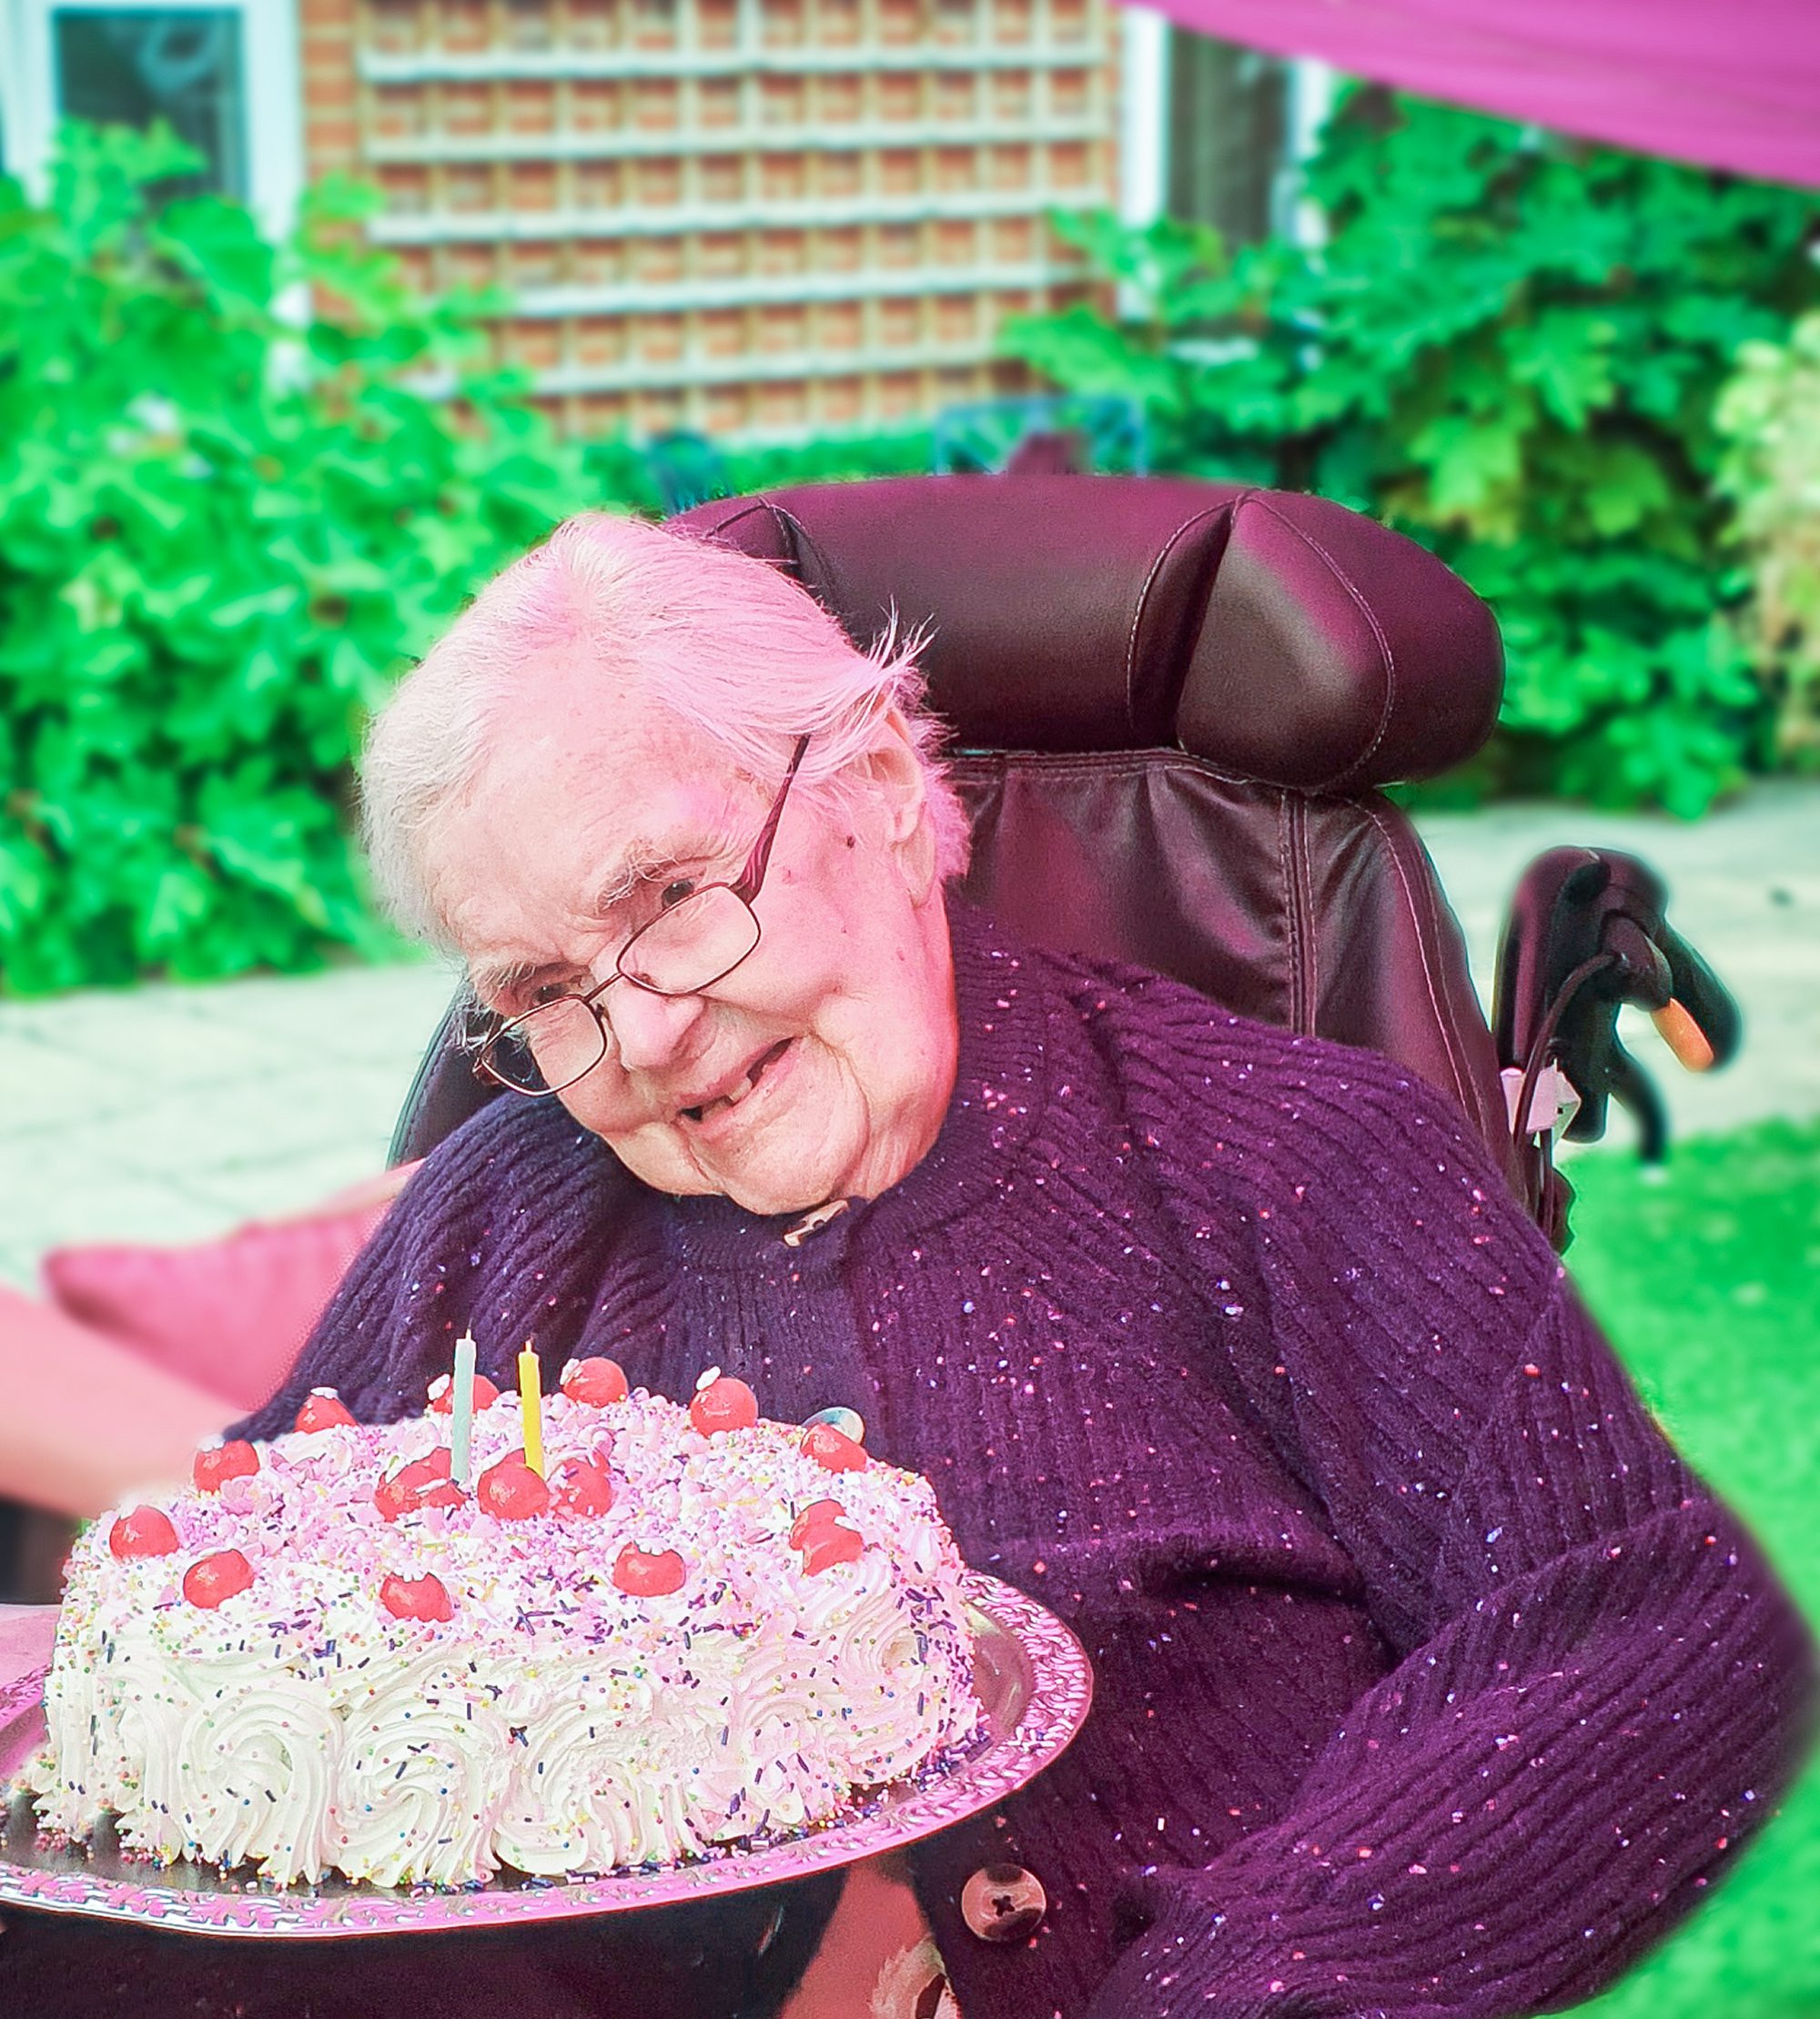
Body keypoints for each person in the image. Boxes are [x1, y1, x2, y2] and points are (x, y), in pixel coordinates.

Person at [11, 512, 1807, 2018]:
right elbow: (249, 1654)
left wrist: (1206, 1994)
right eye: (543, 991)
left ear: (874, 784)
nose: (635, 1029)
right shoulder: (504, 1212)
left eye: (670, 899)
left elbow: (1648, 1632)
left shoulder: (1291, 1158)